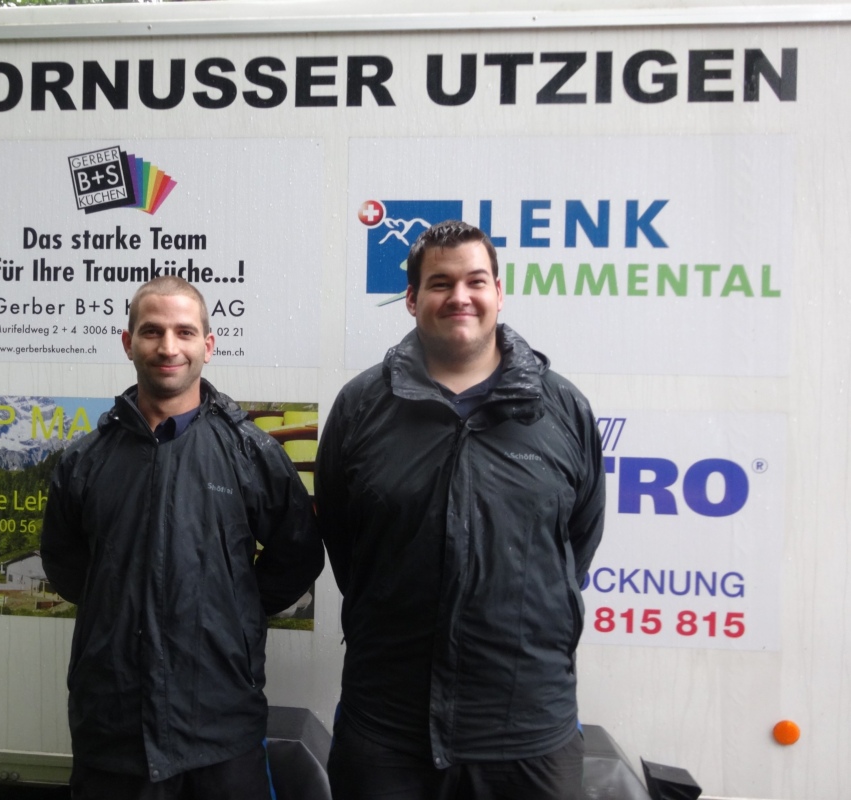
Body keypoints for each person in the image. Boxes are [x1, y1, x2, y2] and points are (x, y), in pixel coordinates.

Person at [316, 220, 605, 800]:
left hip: (525, 726)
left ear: (498, 292)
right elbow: (346, 544)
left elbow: (577, 542)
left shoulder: (562, 407)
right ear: (412, 298)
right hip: (388, 724)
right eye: (440, 283)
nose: (460, 297)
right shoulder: (361, 407)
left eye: (475, 281)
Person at [41, 275, 325, 800]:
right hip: (113, 726)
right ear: (128, 342)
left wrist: (232, 611)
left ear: (208, 346)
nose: (168, 347)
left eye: (184, 332)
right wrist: (120, 605)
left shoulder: (251, 452)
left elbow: (298, 553)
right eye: (152, 331)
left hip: (221, 725)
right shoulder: (85, 460)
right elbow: (65, 565)